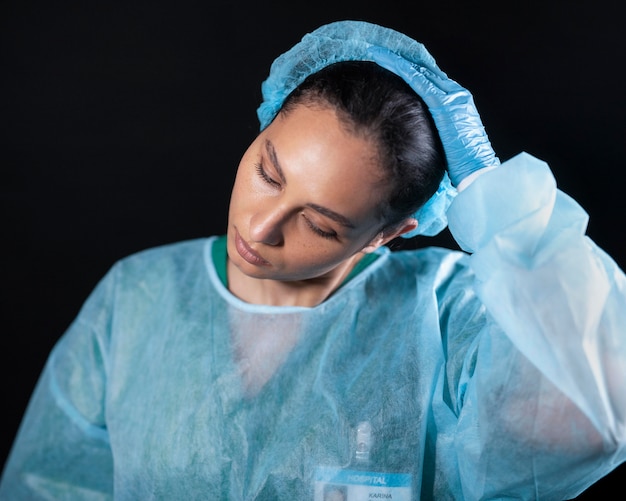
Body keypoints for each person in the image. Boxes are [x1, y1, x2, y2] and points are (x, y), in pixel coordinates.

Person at [1, 19, 625, 500]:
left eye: (320, 224)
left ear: (388, 234)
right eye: (269, 172)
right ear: (264, 122)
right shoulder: (135, 298)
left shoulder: (449, 317)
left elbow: (596, 416)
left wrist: (503, 210)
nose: (260, 226)